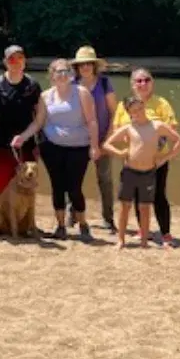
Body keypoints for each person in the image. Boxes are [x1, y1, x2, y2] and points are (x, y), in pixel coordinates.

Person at [111, 68, 180, 248]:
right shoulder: (123, 105)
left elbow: (171, 130)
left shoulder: (161, 103)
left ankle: (165, 233)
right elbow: (117, 129)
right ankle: (144, 231)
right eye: (138, 81)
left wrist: (160, 155)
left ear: (152, 82)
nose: (142, 84)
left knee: (158, 196)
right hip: (133, 161)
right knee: (136, 196)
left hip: (156, 160)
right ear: (132, 84)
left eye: (146, 80)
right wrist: (128, 150)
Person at [39, 58, 101, 241]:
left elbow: (92, 121)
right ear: (52, 75)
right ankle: (60, 226)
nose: (63, 74)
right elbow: (39, 122)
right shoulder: (45, 96)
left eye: (66, 71)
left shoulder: (81, 92)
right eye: (59, 71)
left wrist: (95, 146)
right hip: (51, 147)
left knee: (74, 188)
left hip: (79, 147)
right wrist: (24, 137)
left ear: (72, 74)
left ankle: (82, 224)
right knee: (57, 187)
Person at [72, 46, 118, 231]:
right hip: (78, 139)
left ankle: (108, 218)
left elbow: (114, 112)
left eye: (88, 63)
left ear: (94, 65)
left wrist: (107, 139)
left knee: (105, 180)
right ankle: (72, 215)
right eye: (81, 64)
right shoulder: (72, 83)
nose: (85, 67)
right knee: (74, 179)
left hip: (102, 138)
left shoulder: (105, 83)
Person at [0, 44, 45, 197]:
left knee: (26, 188)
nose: (16, 62)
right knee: (2, 187)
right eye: (12, 59)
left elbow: (39, 117)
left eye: (20, 58)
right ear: (5, 62)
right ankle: (6, 219)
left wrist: (27, 137)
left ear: (25, 61)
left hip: (27, 146)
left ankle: (25, 221)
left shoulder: (33, 86)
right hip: (2, 146)